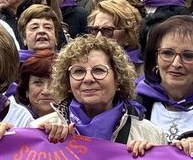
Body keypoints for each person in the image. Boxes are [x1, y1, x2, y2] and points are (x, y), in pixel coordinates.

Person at [20, 34, 163, 147]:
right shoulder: (39, 130)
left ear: (118, 78)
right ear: (67, 82)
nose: (88, 79)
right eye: (78, 71)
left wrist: (149, 158)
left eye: (99, 70)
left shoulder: (150, 135)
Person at [137, 16, 193, 142]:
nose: (176, 64)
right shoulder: (133, 104)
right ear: (156, 58)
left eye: (188, 56)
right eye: (167, 53)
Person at [88, 0, 142, 73]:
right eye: (95, 30)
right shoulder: (85, 63)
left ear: (128, 35)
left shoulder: (141, 72)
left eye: (108, 30)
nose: (98, 37)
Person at [14, 48, 57, 118]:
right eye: (38, 82)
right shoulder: (14, 121)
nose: (46, 91)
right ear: (26, 90)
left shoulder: (77, 122)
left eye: (54, 83)